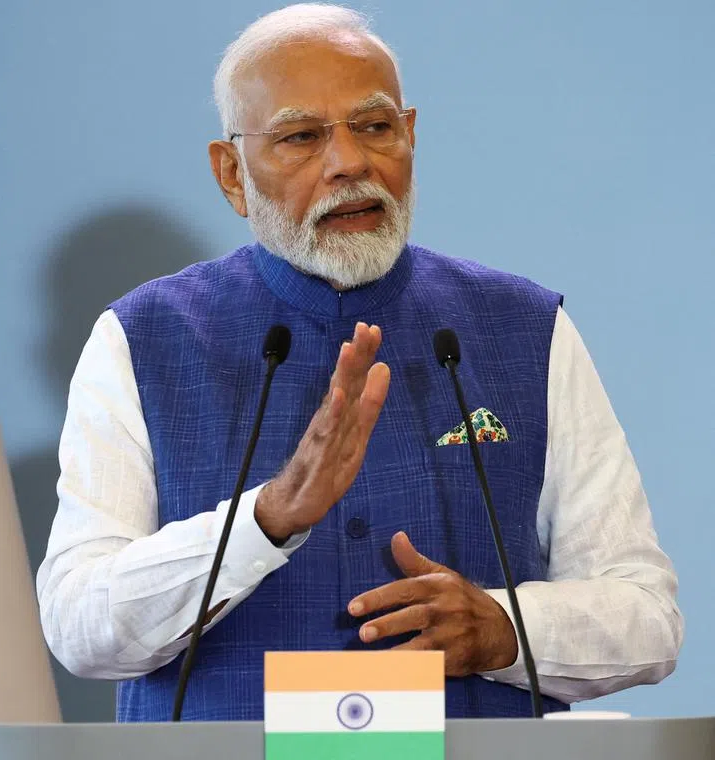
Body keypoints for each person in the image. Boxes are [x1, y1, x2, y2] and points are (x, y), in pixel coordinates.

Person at [36, 3, 682, 721]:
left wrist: (505, 630)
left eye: (375, 127)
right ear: (232, 175)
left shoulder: (526, 328)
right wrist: (264, 521)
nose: (349, 163)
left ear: (410, 136)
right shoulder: (143, 338)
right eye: (301, 137)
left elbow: (646, 614)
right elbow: (79, 626)